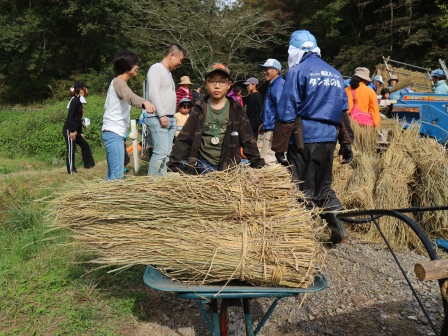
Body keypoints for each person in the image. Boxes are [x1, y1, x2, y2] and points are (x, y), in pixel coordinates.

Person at [273, 30, 354, 245]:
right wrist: (346, 144)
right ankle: (339, 229)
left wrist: (279, 147)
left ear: (295, 50)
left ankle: (303, 238)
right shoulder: (336, 73)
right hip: (329, 138)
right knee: (323, 185)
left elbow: (287, 110)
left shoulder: (297, 72)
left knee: (301, 185)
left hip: (304, 138)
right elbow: (342, 112)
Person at [168, 63, 264, 174]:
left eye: (222, 81)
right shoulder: (199, 109)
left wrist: (258, 165)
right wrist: (173, 164)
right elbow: (185, 138)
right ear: (205, 84)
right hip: (204, 164)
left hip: (230, 165)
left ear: (229, 85)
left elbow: (248, 140)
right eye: (212, 81)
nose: (217, 86)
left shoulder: (236, 110)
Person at [102, 50, 155, 181]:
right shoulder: (119, 82)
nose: (137, 67)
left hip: (115, 133)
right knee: (116, 176)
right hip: (113, 133)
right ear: (128, 65)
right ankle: (110, 200)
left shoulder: (120, 83)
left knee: (113, 175)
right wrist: (144, 102)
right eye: (135, 63)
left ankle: (102, 199)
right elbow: (130, 97)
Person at [145, 44, 185, 176]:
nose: (180, 63)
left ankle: (161, 181)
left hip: (169, 117)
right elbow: (153, 93)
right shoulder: (156, 69)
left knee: (167, 154)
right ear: (172, 55)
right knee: (160, 152)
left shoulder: (168, 73)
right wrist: (162, 115)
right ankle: (150, 183)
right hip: (158, 117)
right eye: (180, 59)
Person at [62, 81, 95, 174]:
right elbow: (70, 117)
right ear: (81, 90)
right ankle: (71, 170)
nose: (87, 90)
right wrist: (72, 131)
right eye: (85, 88)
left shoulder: (79, 101)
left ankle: (89, 165)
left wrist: (80, 132)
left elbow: (78, 119)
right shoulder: (74, 101)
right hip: (70, 130)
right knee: (71, 149)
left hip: (76, 130)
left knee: (85, 146)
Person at [259, 58, 284, 166]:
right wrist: (264, 123)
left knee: (268, 159)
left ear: (276, 70)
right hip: (271, 125)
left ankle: (272, 183)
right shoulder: (274, 84)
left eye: (267, 68)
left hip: (274, 127)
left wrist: (277, 127)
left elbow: (281, 108)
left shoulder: (279, 85)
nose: (264, 72)